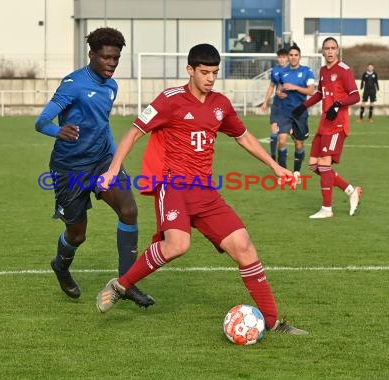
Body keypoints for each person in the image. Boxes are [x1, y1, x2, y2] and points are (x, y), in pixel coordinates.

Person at [95, 43, 308, 335]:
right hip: (173, 186)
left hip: (205, 191)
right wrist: (112, 169)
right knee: (178, 245)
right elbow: (134, 131)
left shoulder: (220, 104)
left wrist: (275, 166)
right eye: (204, 72)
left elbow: (243, 137)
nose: (210, 78)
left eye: (215, 73)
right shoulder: (170, 100)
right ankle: (121, 285)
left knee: (244, 247)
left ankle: (273, 323)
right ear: (190, 70)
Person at [34, 27, 154, 307]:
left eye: (116, 58)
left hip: (102, 161)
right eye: (106, 58)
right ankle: (61, 267)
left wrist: (115, 161)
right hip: (70, 170)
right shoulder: (73, 84)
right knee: (78, 234)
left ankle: (126, 283)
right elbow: (41, 122)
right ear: (92, 55)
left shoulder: (111, 86)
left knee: (129, 210)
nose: (112, 64)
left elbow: (103, 125)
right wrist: (58, 131)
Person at [291, 37, 363, 219]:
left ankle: (327, 208)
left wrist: (338, 104)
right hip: (324, 124)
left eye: (333, 48)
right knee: (314, 165)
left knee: (324, 165)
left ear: (337, 50)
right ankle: (350, 190)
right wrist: (303, 106)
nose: (330, 51)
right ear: (322, 51)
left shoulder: (344, 70)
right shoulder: (323, 70)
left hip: (338, 125)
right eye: (326, 48)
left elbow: (355, 96)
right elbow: (320, 94)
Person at [275, 44, 315, 184]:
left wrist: (295, 87)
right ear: (288, 57)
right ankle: (284, 174)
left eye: (295, 55)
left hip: (300, 112)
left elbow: (311, 91)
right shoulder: (282, 72)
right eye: (290, 55)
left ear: (299, 57)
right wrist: (279, 93)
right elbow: (279, 89)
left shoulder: (307, 71)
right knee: (282, 140)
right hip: (284, 112)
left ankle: (296, 173)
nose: (293, 57)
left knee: (298, 144)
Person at [260, 48, 288, 162]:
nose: (282, 59)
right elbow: (271, 86)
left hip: (289, 106)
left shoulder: (292, 70)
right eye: (280, 57)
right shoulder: (275, 70)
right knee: (274, 133)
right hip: (277, 105)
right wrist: (265, 101)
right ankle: (272, 156)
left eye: (284, 57)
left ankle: (282, 155)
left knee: (287, 136)